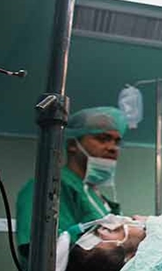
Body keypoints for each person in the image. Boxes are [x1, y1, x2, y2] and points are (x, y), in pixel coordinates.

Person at [16, 106, 128, 262]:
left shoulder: (95, 197)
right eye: (102, 138)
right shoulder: (46, 187)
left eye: (117, 141)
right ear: (72, 145)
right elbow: (42, 253)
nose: (112, 148)